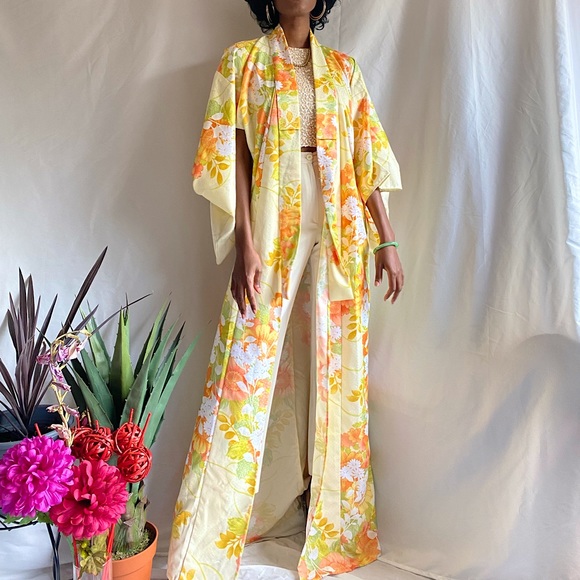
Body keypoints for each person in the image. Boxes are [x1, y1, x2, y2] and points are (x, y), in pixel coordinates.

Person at [168, 1, 403, 578]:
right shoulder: (243, 61)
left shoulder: (344, 69)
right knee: (244, 358)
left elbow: (365, 155)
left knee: (338, 366)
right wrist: (244, 243)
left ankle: (338, 528)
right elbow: (233, 154)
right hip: (274, 216)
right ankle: (206, 540)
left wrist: (387, 240)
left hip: (341, 222)